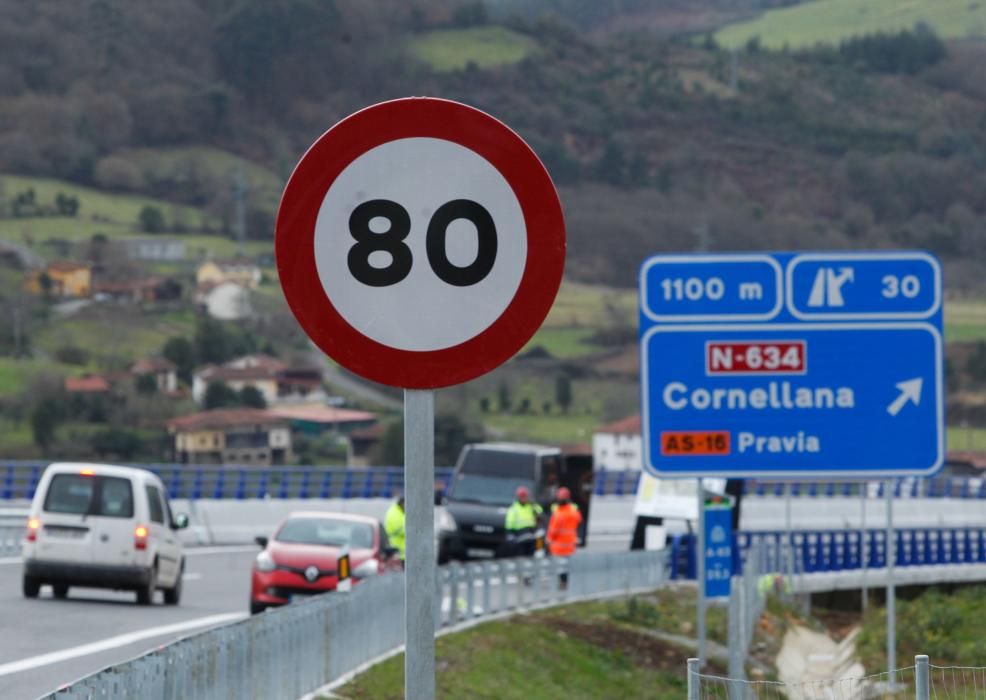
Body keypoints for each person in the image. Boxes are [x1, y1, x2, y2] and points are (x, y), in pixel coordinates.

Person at [547, 487, 582, 590]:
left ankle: (563, 582)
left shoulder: (559, 513)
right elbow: (579, 522)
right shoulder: (574, 511)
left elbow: (554, 530)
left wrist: (549, 539)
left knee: (561, 566)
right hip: (570, 543)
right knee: (566, 564)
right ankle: (565, 581)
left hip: (559, 545)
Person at [503, 486, 543, 558]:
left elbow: (540, 512)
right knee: (520, 556)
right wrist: (510, 534)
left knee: (532, 554)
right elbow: (509, 524)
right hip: (519, 537)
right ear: (518, 497)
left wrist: (533, 505)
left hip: (531, 535)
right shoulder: (514, 509)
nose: (524, 499)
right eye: (522, 497)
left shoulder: (531, 506)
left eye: (525, 497)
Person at [384, 495, 406, 566]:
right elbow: (403, 530)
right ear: (402, 503)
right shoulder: (395, 513)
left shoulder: (399, 512)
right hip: (397, 551)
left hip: (401, 552)